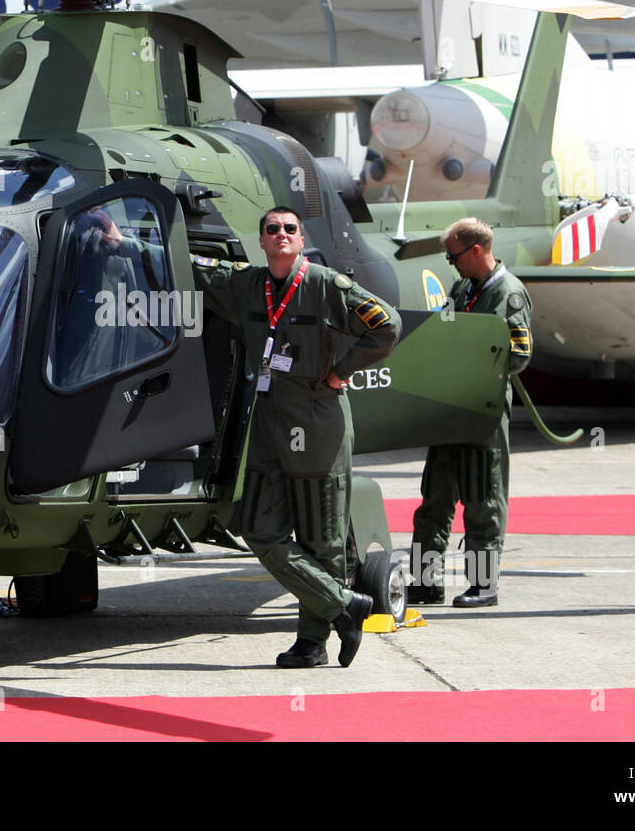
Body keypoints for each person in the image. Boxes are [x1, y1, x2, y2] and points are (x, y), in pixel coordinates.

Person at [193, 206, 401, 668]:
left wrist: (340, 371)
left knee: (320, 540)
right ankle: (343, 604)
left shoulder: (327, 286)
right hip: (268, 423)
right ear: (263, 241)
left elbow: (386, 325)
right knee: (258, 530)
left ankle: (312, 644)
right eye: (272, 229)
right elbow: (191, 266)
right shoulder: (248, 285)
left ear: (300, 238)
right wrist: (116, 241)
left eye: (289, 228)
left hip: (316, 421)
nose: (281, 234)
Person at [408, 217, 533, 609]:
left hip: (482, 414)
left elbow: (519, 354)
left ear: (475, 250)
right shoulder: (462, 288)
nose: (452, 264)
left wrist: (471, 368)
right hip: (449, 412)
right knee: (435, 499)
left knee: (483, 501)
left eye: (453, 256)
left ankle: (483, 585)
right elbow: (444, 333)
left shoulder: (509, 294)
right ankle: (425, 581)